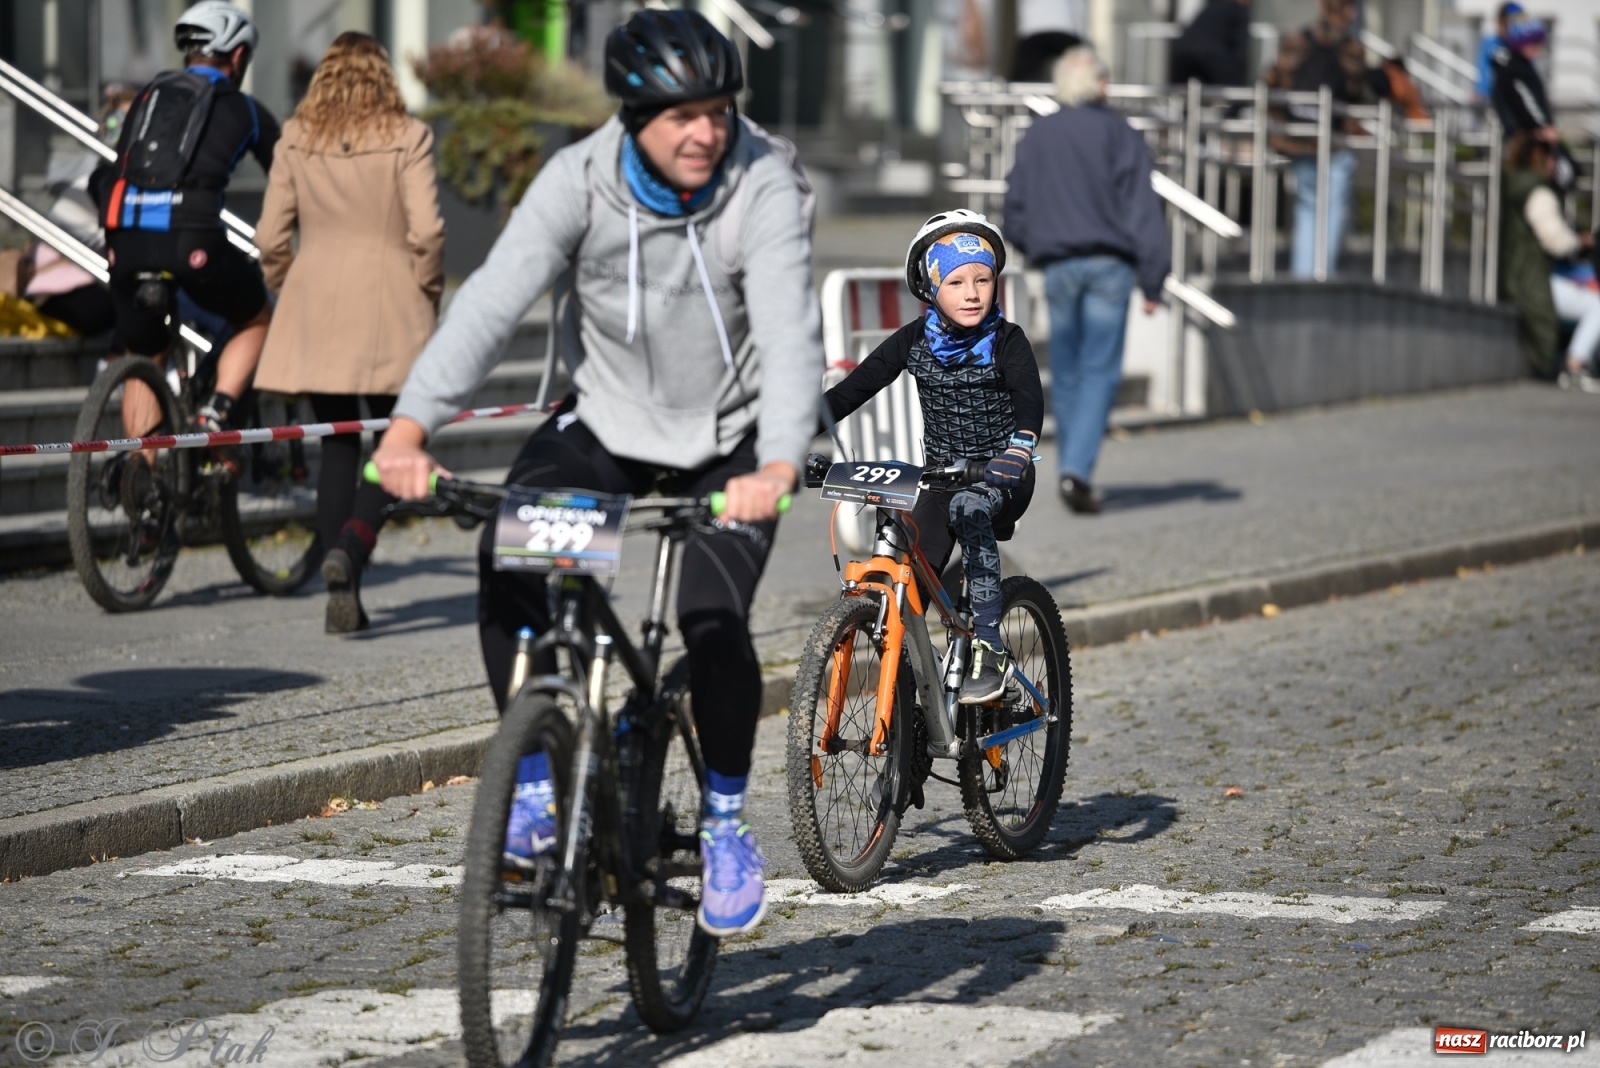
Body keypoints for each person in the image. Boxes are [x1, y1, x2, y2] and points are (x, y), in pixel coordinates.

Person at [372, 9, 821, 936]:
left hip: (733, 441)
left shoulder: (761, 183)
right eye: (680, 116)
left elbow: (787, 332)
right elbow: (492, 300)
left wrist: (778, 460)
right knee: (510, 558)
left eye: (719, 110)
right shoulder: (576, 179)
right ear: (631, 116)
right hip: (607, 423)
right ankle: (534, 790)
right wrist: (411, 426)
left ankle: (728, 823)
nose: (706, 132)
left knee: (711, 620)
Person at [252, 32, 446, 634]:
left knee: (336, 445)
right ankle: (351, 553)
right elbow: (429, 233)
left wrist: (293, 285)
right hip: (391, 303)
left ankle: (348, 587)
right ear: (383, 77)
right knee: (397, 440)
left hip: (317, 304)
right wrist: (426, 290)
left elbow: (268, 239)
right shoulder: (406, 136)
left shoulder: (295, 138)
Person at [823, 212, 1042, 699]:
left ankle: (989, 650)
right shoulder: (914, 341)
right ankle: (909, 724)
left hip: (1002, 475)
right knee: (908, 574)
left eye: (983, 280)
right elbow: (853, 390)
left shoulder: (1007, 342)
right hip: (943, 480)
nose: (972, 293)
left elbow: (1030, 401)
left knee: (971, 509)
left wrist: (1020, 447)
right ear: (930, 287)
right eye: (957, 281)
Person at [90, 0, 278, 503]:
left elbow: (105, 173)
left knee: (143, 352)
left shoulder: (150, 94)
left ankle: (140, 472)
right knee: (257, 317)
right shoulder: (244, 109)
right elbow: (289, 175)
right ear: (237, 56)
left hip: (124, 241)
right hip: (192, 240)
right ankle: (214, 412)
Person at [1002, 46, 1169, 515]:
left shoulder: (1039, 135)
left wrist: (1033, 245)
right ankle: (1076, 470)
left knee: (1070, 370)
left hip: (1057, 265)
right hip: (1110, 266)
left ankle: (1067, 469)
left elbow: (1014, 206)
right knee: (1098, 370)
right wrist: (1153, 278)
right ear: (1100, 84)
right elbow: (1142, 209)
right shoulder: (1120, 133)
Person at [1263, 0, 1368, 280]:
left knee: (1307, 208)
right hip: (1332, 142)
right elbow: (1356, 93)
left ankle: (1301, 276)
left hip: (1301, 139)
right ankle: (1322, 275)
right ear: (1345, 11)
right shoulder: (1351, 48)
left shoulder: (1298, 40)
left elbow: (1273, 79)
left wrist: (1282, 123)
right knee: (1331, 210)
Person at [1500, 135, 1600, 389]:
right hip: (1531, 280)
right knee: (1597, 305)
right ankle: (1575, 365)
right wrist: (1580, 241)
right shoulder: (1537, 192)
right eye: (1553, 157)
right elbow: (1555, 240)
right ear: (1540, 159)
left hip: (1517, 275)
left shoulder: (1514, 186)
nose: (1556, 164)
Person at [1490, 17, 1557, 146]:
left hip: (1525, 133)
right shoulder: (1515, 69)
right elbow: (1527, 99)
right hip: (1528, 136)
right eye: (1535, 42)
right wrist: (1544, 126)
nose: (1539, 47)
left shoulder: (1519, 65)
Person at [1169, 0, 1252, 89]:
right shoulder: (1239, 11)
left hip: (1180, 52)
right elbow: (1241, 48)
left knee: (1178, 94)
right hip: (1209, 54)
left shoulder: (1211, 7)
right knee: (1237, 92)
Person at [1474, 2, 1523, 104]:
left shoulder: (1522, 47)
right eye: (1507, 23)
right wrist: (1481, 91)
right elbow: (1484, 69)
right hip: (1494, 98)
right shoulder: (1491, 44)